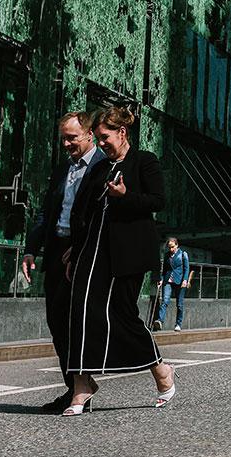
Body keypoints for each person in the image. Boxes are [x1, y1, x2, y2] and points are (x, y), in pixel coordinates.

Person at [63, 106, 174, 415]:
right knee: (81, 311)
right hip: (92, 251)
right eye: (98, 139)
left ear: (122, 133)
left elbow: (157, 201)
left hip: (127, 253)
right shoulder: (99, 168)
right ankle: (82, 386)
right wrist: (75, 248)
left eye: (105, 137)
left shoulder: (144, 161)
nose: (101, 144)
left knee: (123, 315)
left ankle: (161, 371)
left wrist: (125, 195)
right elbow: (82, 211)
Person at [21, 111, 104, 413]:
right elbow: (46, 212)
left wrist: (82, 247)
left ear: (89, 135)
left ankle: (80, 389)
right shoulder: (62, 170)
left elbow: (104, 217)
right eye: (64, 139)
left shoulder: (103, 167)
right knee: (57, 322)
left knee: (76, 322)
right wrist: (31, 249)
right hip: (57, 251)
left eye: (72, 137)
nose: (67, 143)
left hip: (83, 253)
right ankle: (75, 387)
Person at [154, 238, 190, 332]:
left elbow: (186, 268)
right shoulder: (167, 255)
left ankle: (178, 324)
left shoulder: (183, 254)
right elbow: (165, 270)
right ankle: (160, 321)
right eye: (169, 247)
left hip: (180, 281)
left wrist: (185, 280)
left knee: (179, 304)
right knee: (165, 301)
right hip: (168, 281)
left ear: (177, 245)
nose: (171, 249)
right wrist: (161, 279)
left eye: (172, 247)